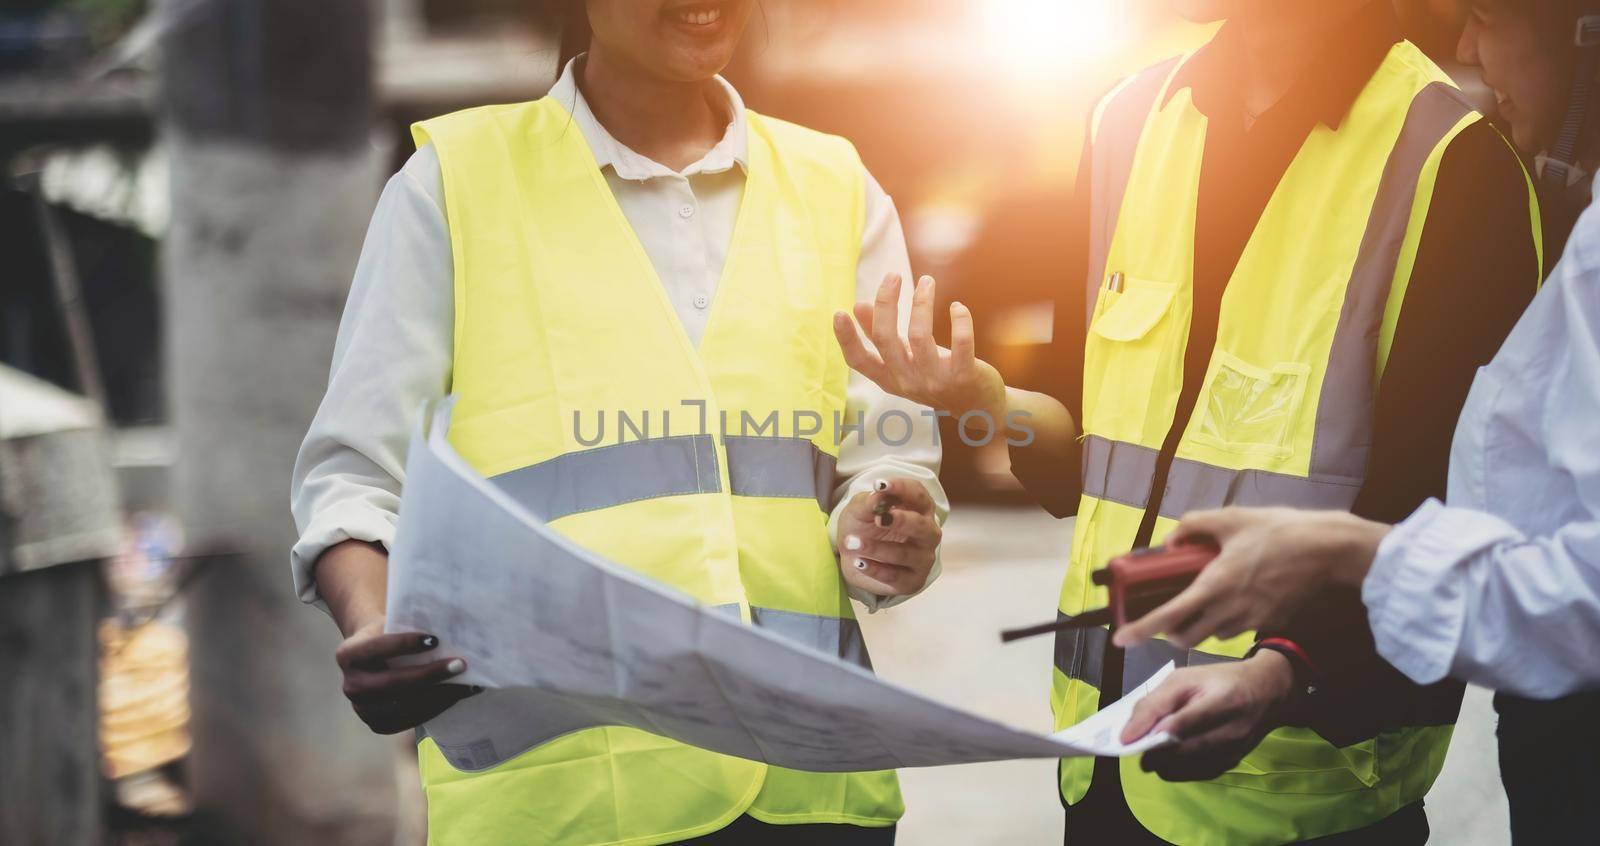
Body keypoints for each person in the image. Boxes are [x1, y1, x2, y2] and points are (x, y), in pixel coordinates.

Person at [833, 0, 1542, 842]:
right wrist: (981, 404)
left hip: (1305, 800)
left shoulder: (1455, 165)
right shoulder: (1125, 123)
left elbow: (1444, 524)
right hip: (1104, 781)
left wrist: (1282, 675)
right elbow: (1077, 467)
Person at [288, 1, 949, 843]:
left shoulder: (837, 186)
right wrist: (374, 623)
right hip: (563, 803)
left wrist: (889, 520)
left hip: (810, 789)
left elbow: (888, 462)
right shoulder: (455, 183)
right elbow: (355, 479)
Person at [1116, 2, 1600, 842]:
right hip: (1115, 764)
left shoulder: (1457, 160)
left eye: (1487, 15)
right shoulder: (1133, 121)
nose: (1466, 48)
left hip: (1319, 789)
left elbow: (1546, 567)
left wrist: (1332, 582)